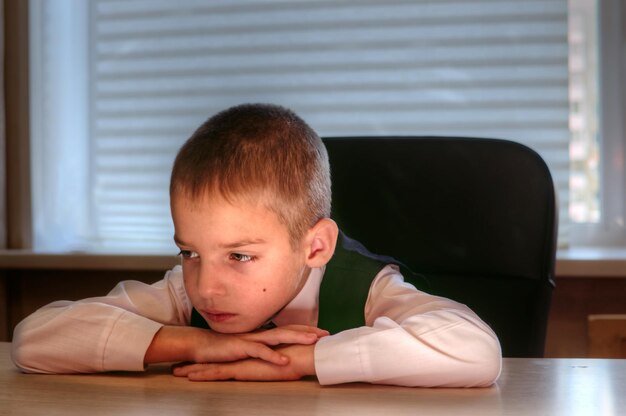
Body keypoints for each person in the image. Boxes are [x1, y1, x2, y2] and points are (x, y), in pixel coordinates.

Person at [11, 103, 501, 387]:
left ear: (315, 248)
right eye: (190, 252)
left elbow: (477, 351)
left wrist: (297, 362)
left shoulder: (369, 288)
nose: (207, 287)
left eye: (240, 256)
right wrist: (199, 344)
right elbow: (35, 339)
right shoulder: (187, 293)